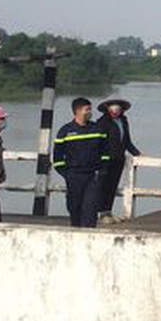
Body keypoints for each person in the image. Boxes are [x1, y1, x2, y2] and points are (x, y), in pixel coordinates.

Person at [53, 97, 109, 228]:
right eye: (87, 109)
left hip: (92, 177)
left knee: (90, 210)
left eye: (90, 109)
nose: (90, 112)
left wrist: (102, 170)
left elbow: (105, 152)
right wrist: (66, 174)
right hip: (74, 177)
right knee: (74, 208)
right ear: (77, 111)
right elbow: (57, 157)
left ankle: (89, 235)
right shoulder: (65, 131)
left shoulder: (98, 129)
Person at [95, 97, 142, 224]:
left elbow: (126, 141)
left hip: (119, 158)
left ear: (122, 110)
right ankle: (101, 214)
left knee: (113, 186)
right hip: (105, 159)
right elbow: (99, 143)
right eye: (112, 108)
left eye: (118, 108)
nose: (115, 110)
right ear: (107, 109)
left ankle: (108, 212)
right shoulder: (102, 122)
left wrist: (137, 154)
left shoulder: (123, 121)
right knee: (102, 186)